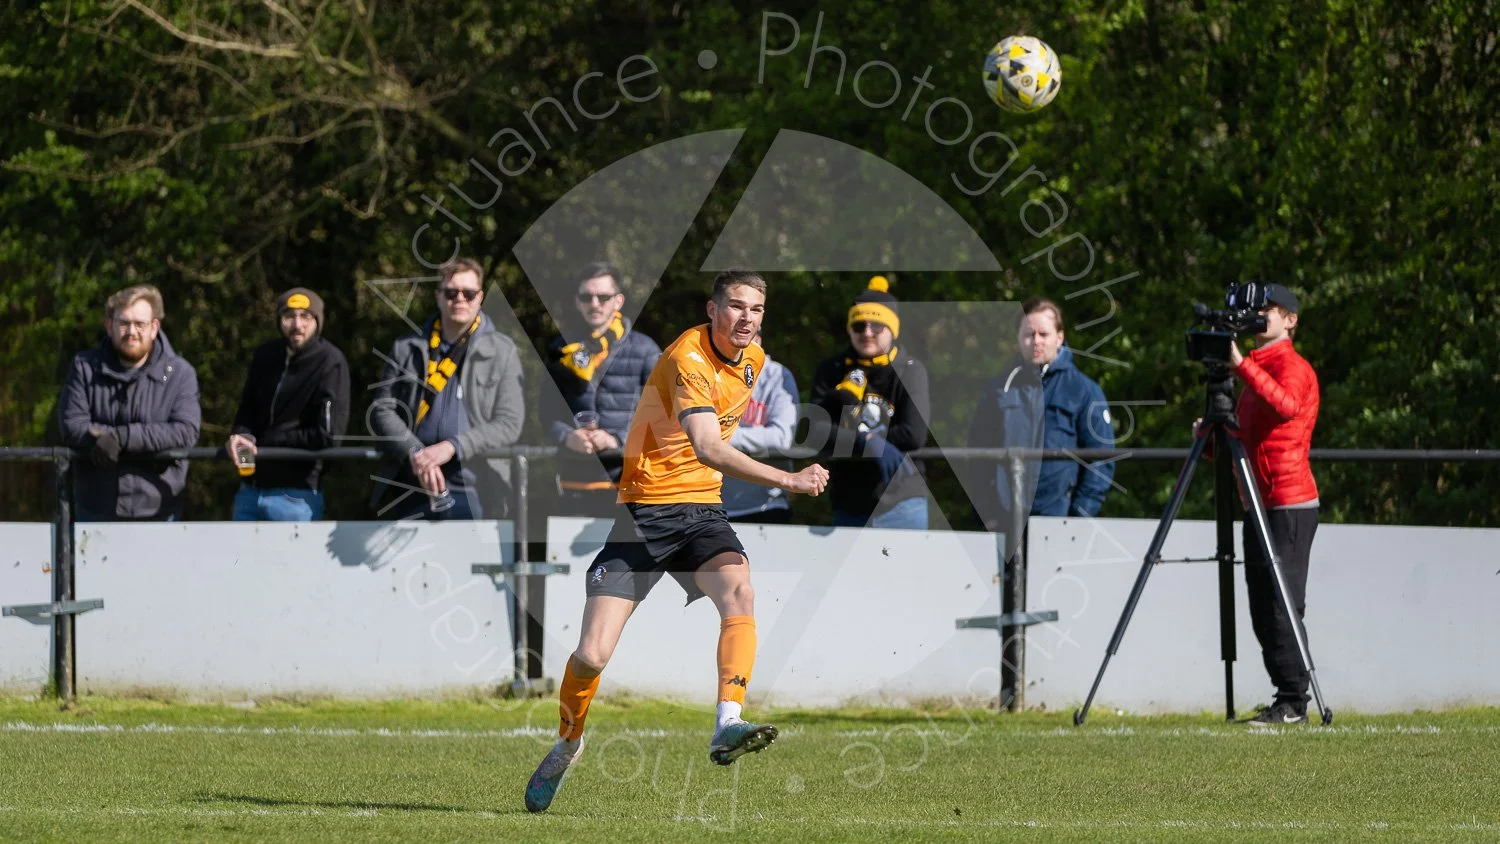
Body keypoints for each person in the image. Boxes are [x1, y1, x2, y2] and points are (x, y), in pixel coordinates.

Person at [524, 270, 829, 814]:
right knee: (592, 655)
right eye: (735, 307)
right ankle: (569, 741)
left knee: (740, 594)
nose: (746, 318)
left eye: (756, 310)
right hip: (644, 514)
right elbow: (709, 446)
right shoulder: (687, 357)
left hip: (702, 513)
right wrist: (788, 479)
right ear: (712, 311)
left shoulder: (755, 358)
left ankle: (727, 722)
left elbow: (712, 453)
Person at [1218, 284, 1320, 725]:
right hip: (1256, 500)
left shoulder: (1293, 367)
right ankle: (1285, 696)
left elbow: (1287, 406)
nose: (1260, 316)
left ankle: (1295, 700)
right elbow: (1246, 433)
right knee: (1262, 604)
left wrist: (1240, 365)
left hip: (1289, 503)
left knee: (1283, 603)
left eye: (1269, 311)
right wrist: (1211, 431)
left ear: (1290, 320)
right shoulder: (1253, 371)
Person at [368, 257, 525, 520]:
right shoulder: (406, 347)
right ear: (438, 296)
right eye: (451, 292)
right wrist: (415, 452)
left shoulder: (503, 350)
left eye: (468, 293)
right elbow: (381, 410)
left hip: (479, 488)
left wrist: (453, 446)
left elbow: (509, 423)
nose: (459, 299)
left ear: (480, 297)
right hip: (412, 484)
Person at [57, 284, 201, 521]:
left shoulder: (180, 374)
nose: (131, 331)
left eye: (140, 324)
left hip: (160, 511)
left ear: (154, 327)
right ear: (109, 326)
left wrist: (121, 438)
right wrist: (105, 440)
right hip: (95, 510)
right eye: (123, 323)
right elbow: (72, 425)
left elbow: (185, 432)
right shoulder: (83, 367)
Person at [968, 297, 1115, 528]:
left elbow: (1101, 459)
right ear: (1018, 338)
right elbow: (977, 454)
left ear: (1060, 337)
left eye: (1043, 334)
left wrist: (1078, 518)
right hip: (1005, 521)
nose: (1035, 341)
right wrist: (987, 514)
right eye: (1028, 334)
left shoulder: (1084, 390)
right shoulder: (998, 389)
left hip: (1059, 520)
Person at [808, 276, 931, 529]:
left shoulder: (910, 370)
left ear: (892, 330)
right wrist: (867, 442)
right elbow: (816, 432)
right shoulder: (832, 369)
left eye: (877, 325)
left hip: (903, 503)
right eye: (859, 325)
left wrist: (851, 439)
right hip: (849, 503)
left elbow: (913, 434)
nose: (867, 332)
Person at [542, 262, 660, 516]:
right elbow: (547, 412)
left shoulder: (645, 350)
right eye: (586, 296)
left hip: (631, 486)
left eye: (603, 297)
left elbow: (662, 417)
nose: (594, 303)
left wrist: (618, 439)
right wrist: (566, 436)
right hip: (573, 483)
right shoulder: (561, 348)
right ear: (577, 301)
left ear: (618, 301)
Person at [225, 288, 351, 521]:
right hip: (249, 491)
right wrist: (241, 435)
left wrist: (269, 440)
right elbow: (247, 411)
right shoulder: (265, 355)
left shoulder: (331, 362)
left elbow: (328, 435)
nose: (297, 325)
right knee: (238, 559)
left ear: (317, 321)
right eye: (289, 316)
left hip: (296, 496)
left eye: (306, 316)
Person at [721, 329, 799, 524]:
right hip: (710, 506)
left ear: (759, 339)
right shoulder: (707, 373)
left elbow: (782, 438)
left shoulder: (777, 375)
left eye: (748, 336)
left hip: (766, 506)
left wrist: (719, 438)